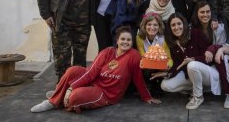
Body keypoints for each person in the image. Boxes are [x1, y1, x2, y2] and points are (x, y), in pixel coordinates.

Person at [30, 26, 161, 113]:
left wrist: (146, 97)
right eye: (122, 39)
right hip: (94, 81)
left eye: (128, 40)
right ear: (117, 40)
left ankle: (60, 94)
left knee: (74, 98)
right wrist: (70, 88)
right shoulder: (107, 51)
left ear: (132, 42)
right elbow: (91, 73)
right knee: (73, 70)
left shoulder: (133, 56)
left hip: (105, 94)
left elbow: (138, 78)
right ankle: (53, 101)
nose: (125, 42)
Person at [151, 13, 226, 110]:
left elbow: (209, 59)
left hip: (209, 72)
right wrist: (167, 74)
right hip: (191, 73)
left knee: (192, 65)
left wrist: (194, 59)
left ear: (184, 24)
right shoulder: (173, 43)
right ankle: (196, 88)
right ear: (169, 28)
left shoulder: (196, 33)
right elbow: (178, 65)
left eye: (179, 24)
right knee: (165, 85)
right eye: (173, 25)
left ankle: (198, 96)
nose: (176, 27)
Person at [191, 1, 229, 108]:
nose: (205, 14)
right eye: (202, 12)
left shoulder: (219, 27)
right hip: (203, 60)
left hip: (217, 61)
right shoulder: (193, 28)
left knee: (222, 56)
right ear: (197, 13)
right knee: (191, 64)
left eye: (208, 11)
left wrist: (212, 49)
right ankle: (198, 91)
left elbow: (223, 45)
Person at [136, 13, 172, 96]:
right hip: (147, 67)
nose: (152, 27)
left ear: (159, 26)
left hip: (161, 67)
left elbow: (169, 59)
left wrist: (167, 66)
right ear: (144, 26)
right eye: (149, 24)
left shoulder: (163, 39)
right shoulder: (139, 37)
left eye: (155, 25)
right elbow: (142, 56)